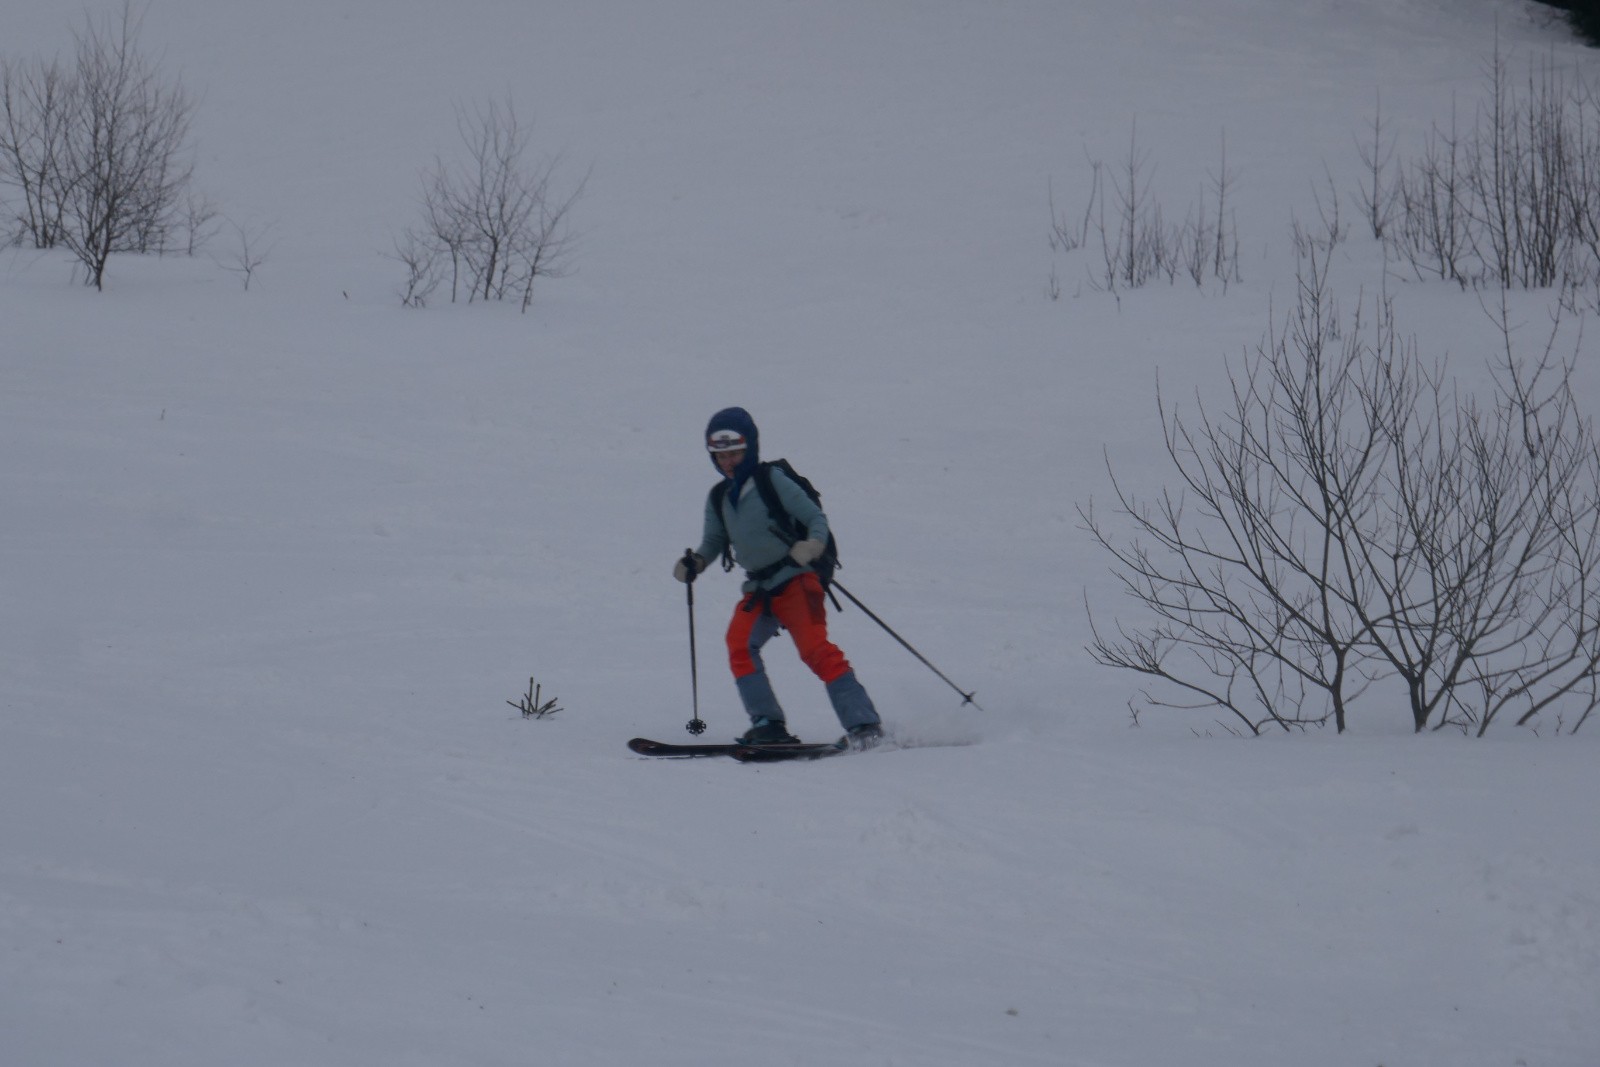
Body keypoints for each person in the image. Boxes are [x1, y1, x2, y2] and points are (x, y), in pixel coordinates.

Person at [673, 407, 885, 748]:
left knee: (815, 650)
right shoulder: (719, 497)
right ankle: (767, 722)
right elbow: (713, 541)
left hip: (797, 581)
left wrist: (812, 545)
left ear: (751, 448)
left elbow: (814, 517)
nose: (729, 462)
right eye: (721, 456)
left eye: (735, 454)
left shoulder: (772, 481)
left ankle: (864, 725)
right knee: (739, 644)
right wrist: (696, 562)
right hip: (759, 589)